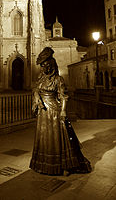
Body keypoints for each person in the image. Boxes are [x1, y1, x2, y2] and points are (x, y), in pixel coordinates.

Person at [30, 47, 91, 176]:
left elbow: (63, 96)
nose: (44, 68)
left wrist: (63, 111)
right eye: (42, 66)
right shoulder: (41, 79)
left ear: (51, 65)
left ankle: (63, 165)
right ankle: (43, 164)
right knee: (45, 138)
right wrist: (36, 98)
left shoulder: (58, 80)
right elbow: (35, 89)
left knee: (58, 138)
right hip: (43, 113)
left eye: (46, 66)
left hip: (54, 112)